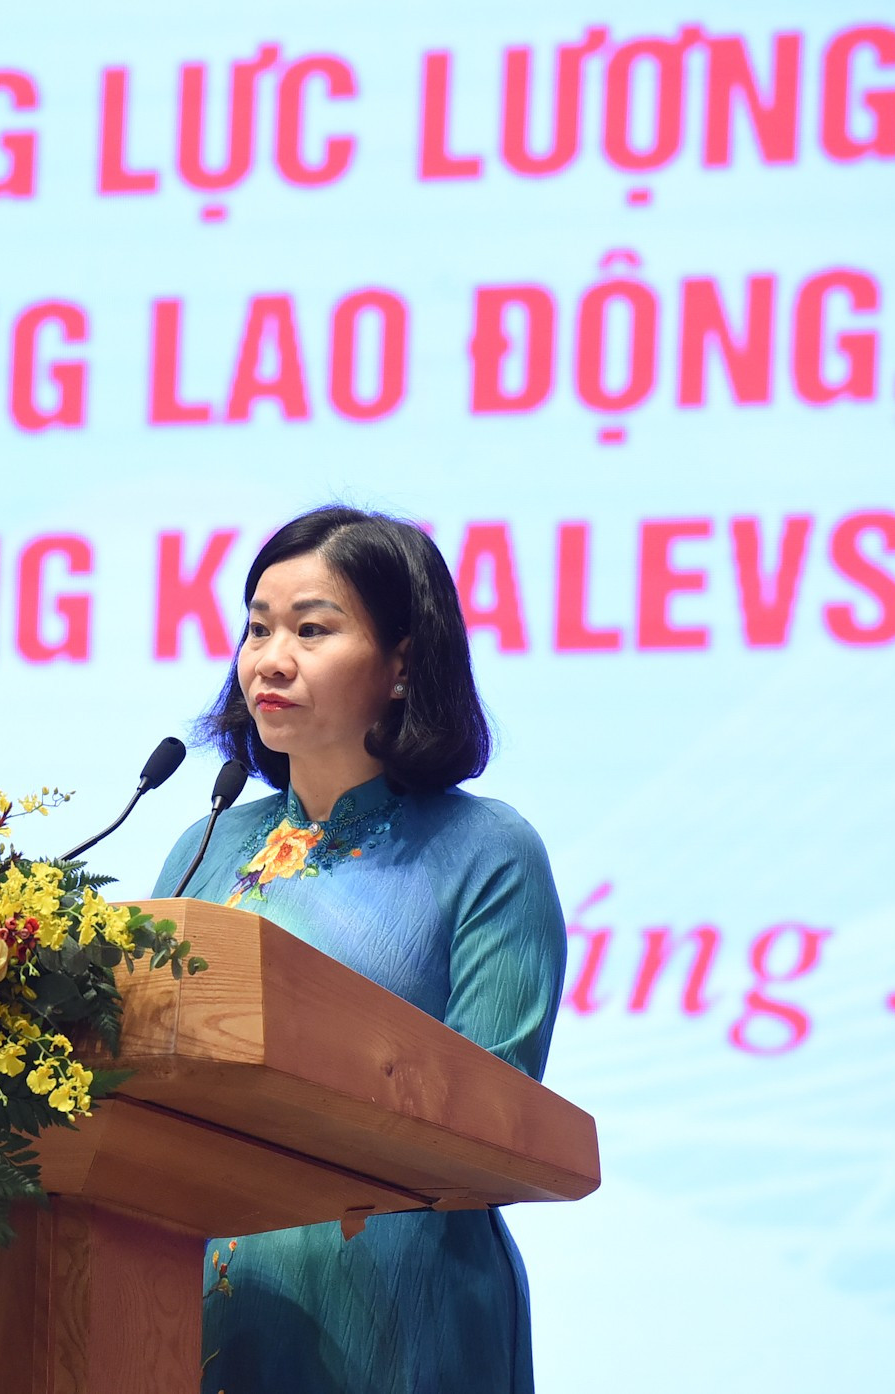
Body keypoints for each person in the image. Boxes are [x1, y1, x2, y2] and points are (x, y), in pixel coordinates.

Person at [153, 505, 568, 1394]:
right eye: (258, 627)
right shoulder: (210, 841)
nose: (270, 657)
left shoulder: (488, 849)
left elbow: (492, 1114)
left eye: (312, 629)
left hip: (398, 1306)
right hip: (202, 1301)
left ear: (403, 663)